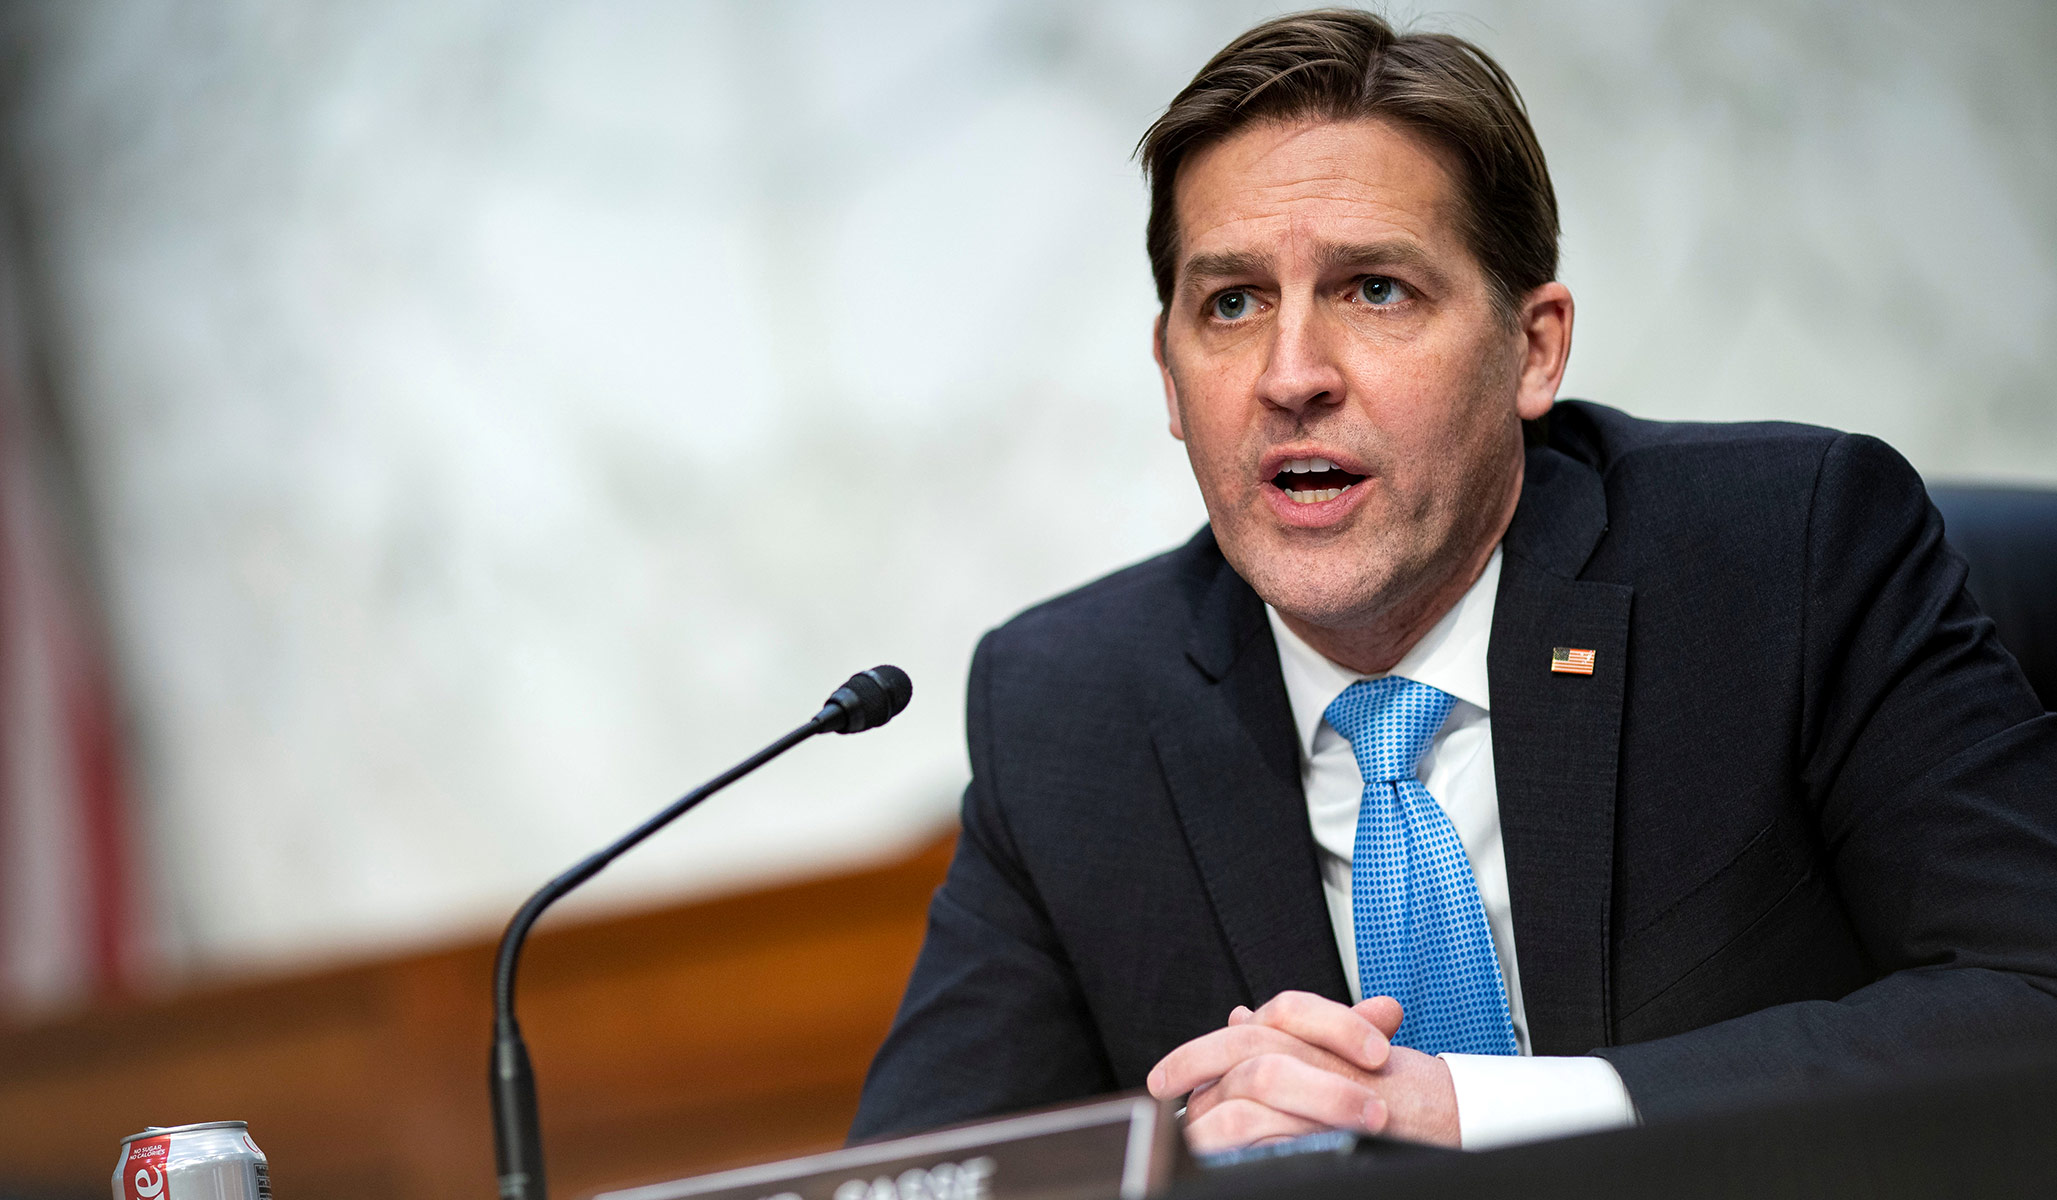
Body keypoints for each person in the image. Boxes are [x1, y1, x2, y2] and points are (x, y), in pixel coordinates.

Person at [850, 9, 2057, 1152]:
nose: (1290, 375)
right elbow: (928, 1171)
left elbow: (2029, 998)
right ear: (1169, 380)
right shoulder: (1067, 709)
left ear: (1532, 349)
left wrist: (1467, 1112)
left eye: (1374, 289)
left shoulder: (1783, 555)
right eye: (1231, 303)